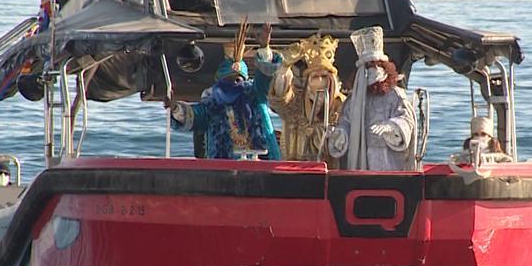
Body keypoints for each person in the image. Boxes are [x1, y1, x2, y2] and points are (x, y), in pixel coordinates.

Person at [167, 23, 281, 160]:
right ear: (219, 82)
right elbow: (194, 116)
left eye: (239, 79)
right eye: (229, 79)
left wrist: (264, 49)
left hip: (262, 162)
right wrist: (175, 109)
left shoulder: (255, 94)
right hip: (224, 170)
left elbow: (264, 76)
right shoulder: (212, 105)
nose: (235, 83)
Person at [326, 26, 417, 171]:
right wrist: (340, 134)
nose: (374, 72)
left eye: (377, 66)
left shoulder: (395, 96)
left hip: (389, 160)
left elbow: (406, 119)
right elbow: (346, 123)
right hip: (360, 159)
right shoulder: (353, 101)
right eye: (369, 67)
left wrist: (392, 127)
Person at [268, 33, 345, 165]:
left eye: (324, 77)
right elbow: (279, 100)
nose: (320, 81)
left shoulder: (343, 105)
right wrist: (284, 67)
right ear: (308, 81)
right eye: (316, 77)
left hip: (332, 172)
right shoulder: (297, 103)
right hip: (297, 171)